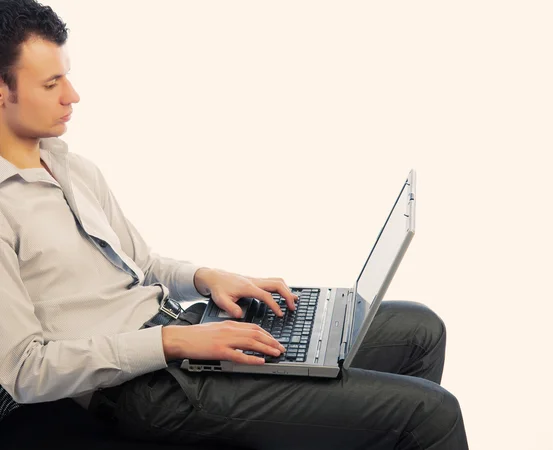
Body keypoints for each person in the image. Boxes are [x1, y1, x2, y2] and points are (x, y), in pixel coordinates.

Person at [0, 1, 469, 448]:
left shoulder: (72, 168)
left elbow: (139, 264)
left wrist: (206, 279)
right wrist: (173, 341)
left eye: (68, 76)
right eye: (50, 84)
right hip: (139, 388)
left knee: (419, 331)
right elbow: (25, 370)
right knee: (431, 414)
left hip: (186, 332)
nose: (73, 95)